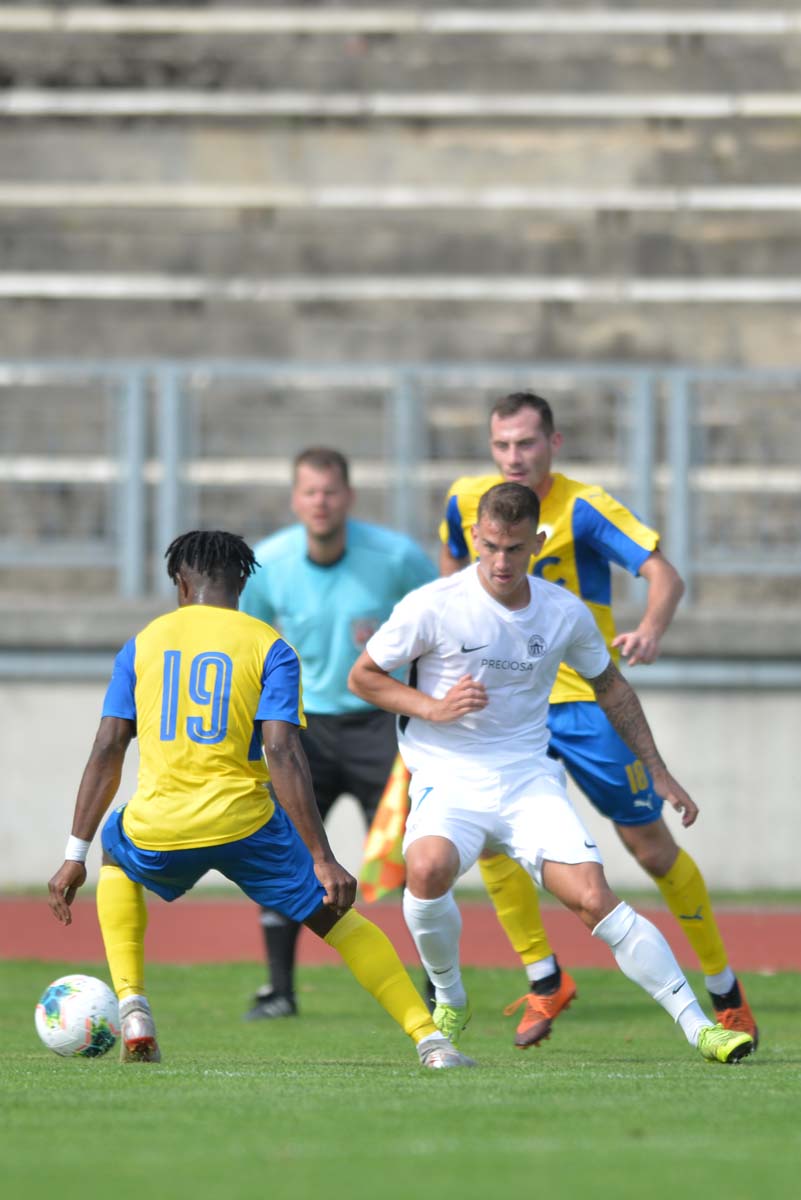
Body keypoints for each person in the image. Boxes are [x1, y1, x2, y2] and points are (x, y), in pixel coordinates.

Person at [349, 483, 754, 1066]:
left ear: (537, 543)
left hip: (526, 780)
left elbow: (610, 687)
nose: (501, 561)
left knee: (593, 898)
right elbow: (364, 676)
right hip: (449, 776)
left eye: (515, 548)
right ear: (474, 537)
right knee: (427, 868)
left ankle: (700, 1029)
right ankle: (451, 995)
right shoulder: (432, 604)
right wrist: (433, 708)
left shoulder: (563, 612)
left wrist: (658, 770)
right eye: (491, 546)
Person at [45, 530, 472, 1071]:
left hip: (160, 826)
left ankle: (132, 1005)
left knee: (116, 848)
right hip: (246, 826)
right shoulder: (271, 646)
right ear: (243, 582)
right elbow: (282, 751)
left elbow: (108, 746)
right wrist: (322, 857)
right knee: (340, 923)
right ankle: (431, 1042)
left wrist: (73, 855)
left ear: (180, 583)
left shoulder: (142, 644)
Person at [437, 392, 758, 1050]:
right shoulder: (465, 500)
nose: (513, 456)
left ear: (552, 444)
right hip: (507, 705)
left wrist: (651, 627)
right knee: (491, 839)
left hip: (585, 703)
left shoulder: (584, 507)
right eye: (501, 444)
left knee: (650, 848)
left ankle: (725, 990)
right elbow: (451, 571)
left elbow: (663, 574)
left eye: (526, 443)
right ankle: (544, 975)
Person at [227, 453, 436, 1020]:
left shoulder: (396, 558)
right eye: (310, 492)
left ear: (349, 497)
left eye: (330, 491)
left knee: (415, 859)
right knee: (285, 855)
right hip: (302, 733)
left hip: (379, 728)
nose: (320, 502)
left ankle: (438, 988)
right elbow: (247, 646)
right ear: (295, 500)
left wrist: (424, 703)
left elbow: (442, 619)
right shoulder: (269, 565)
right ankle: (279, 991)